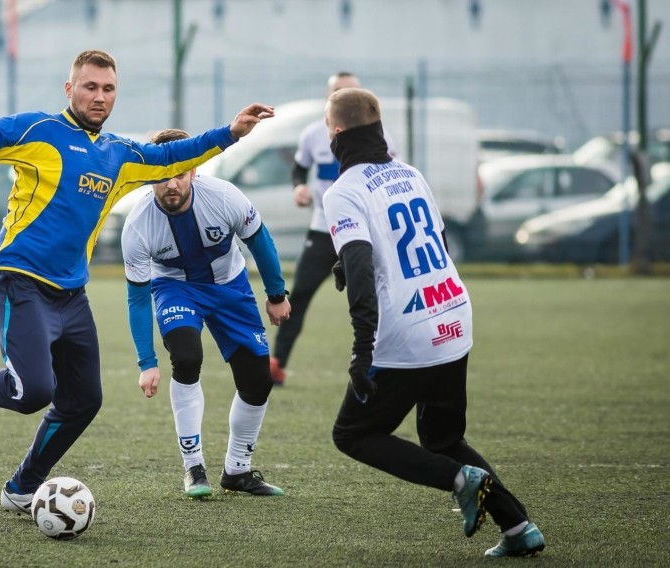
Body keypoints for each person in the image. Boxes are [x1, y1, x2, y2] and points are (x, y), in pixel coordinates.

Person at [0, 49, 275, 514]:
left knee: (84, 400)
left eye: (108, 89)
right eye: (90, 86)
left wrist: (231, 134)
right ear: (69, 88)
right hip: (19, 279)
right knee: (32, 392)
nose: (99, 96)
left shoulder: (118, 154)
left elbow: (172, 153)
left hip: (72, 294)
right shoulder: (42, 131)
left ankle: (21, 486)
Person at [321, 87, 545, 558]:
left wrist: (363, 350)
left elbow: (362, 272)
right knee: (443, 437)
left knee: (353, 434)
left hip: (407, 334)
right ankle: (519, 527)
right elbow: (433, 242)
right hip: (453, 316)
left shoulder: (342, 191)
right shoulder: (410, 173)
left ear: (336, 133)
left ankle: (459, 480)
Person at [122, 128, 290, 499]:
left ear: (194, 171)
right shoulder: (137, 225)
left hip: (230, 286)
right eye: (162, 174)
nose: (171, 183)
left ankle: (238, 471)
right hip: (174, 288)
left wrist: (276, 293)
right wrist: (146, 361)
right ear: (150, 174)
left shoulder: (225, 196)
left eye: (180, 173)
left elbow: (260, 242)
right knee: (186, 357)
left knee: (257, 380)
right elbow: (136, 299)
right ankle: (193, 467)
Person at [269, 71, 396, 386]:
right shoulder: (314, 134)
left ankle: (385, 363)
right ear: (328, 97)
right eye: (339, 92)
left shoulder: (383, 138)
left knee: (380, 293)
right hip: (324, 229)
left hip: (364, 233)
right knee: (299, 295)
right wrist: (299, 186)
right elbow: (299, 168)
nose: (345, 98)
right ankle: (277, 363)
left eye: (353, 92)